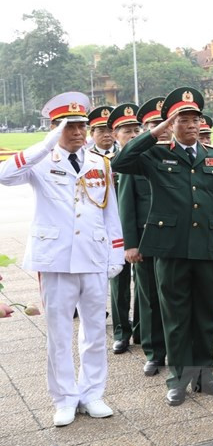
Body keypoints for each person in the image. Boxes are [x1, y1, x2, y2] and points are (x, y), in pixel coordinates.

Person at [0, 92, 124, 426]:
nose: (78, 132)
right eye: (69, 126)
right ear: (55, 128)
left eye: (82, 125)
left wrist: (116, 251)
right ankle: (65, 398)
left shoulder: (100, 162)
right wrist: (46, 143)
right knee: (58, 333)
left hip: (93, 257)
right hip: (56, 260)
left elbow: (110, 212)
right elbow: (4, 174)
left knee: (96, 332)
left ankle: (92, 393)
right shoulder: (40, 160)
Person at [112, 87, 213, 407]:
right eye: (184, 119)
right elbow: (121, 161)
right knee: (176, 317)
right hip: (170, 248)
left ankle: (204, 374)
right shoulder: (156, 154)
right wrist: (153, 133)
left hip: (207, 246)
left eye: (196, 118)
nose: (192, 125)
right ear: (172, 123)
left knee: (206, 315)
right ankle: (179, 378)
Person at [118, 97, 167, 377]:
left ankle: (178, 347)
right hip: (147, 242)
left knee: (176, 299)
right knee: (150, 300)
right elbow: (127, 205)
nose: (161, 129)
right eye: (152, 125)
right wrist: (131, 244)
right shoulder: (137, 160)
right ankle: (154, 351)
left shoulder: (180, 156)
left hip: (176, 241)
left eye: (164, 124)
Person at [106, 103, 141, 355]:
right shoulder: (103, 163)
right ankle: (121, 332)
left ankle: (141, 328)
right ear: (115, 134)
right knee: (118, 283)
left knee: (144, 284)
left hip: (142, 229)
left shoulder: (146, 159)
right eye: (126, 130)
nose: (132, 135)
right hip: (113, 231)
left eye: (135, 129)